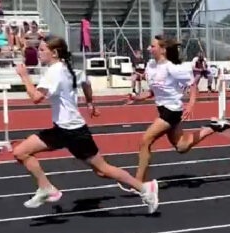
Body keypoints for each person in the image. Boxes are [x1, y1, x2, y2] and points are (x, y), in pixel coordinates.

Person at [13, 36, 160, 211]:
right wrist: (90, 103)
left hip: (73, 132)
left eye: (42, 49)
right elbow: (86, 82)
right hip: (64, 129)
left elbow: (36, 97)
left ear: (55, 53)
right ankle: (46, 188)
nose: (39, 52)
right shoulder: (67, 68)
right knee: (21, 152)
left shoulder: (54, 72)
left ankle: (145, 188)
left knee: (102, 170)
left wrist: (24, 77)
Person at [123, 36, 230, 207]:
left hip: (172, 112)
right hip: (163, 109)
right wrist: (136, 98)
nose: (149, 48)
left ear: (163, 49)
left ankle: (138, 184)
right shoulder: (151, 66)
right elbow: (153, 91)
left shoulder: (172, 68)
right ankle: (214, 127)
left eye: (152, 46)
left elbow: (192, 84)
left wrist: (191, 104)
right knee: (182, 147)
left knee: (145, 140)